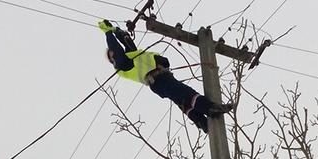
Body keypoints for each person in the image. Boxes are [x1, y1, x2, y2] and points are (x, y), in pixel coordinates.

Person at [99, 20, 232, 133]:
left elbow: (127, 44)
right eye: (112, 56)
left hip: (161, 77)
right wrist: (108, 33)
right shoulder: (121, 65)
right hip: (157, 80)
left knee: (182, 101)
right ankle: (210, 108)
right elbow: (117, 50)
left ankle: (203, 123)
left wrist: (116, 31)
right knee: (185, 93)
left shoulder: (130, 57)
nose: (114, 54)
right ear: (113, 60)